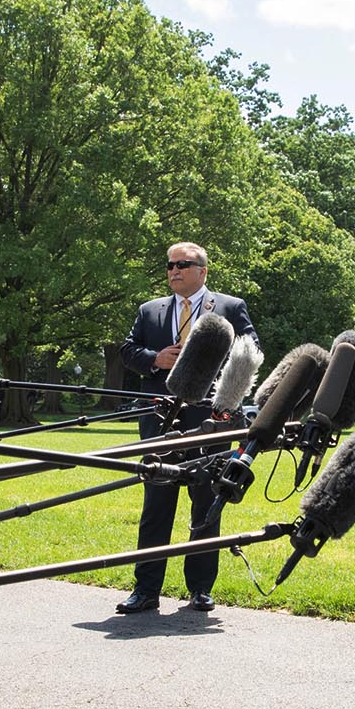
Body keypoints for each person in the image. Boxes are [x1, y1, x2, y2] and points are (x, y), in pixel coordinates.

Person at [113, 242, 256, 615]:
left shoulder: (229, 307)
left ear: (202, 271)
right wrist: (154, 359)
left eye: (183, 264)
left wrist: (219, 375)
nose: (174, 270)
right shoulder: (150, 311)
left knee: (206, 505)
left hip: (211, 421)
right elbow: (127, 351)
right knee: (156, 505)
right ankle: (145, 590)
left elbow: (250, 348)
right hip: (160, 420)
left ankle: (200, 590)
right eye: (170, 265)